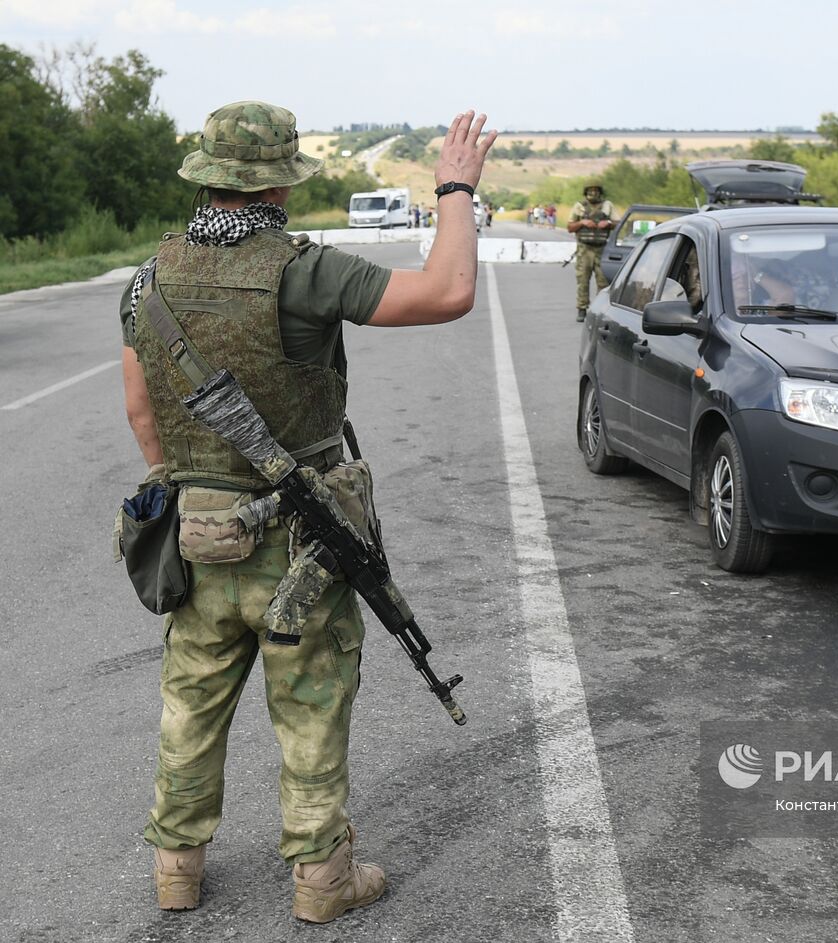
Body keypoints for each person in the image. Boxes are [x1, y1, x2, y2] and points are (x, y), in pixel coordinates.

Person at [119, 101, 496, 922]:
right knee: (312, 704)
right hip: (302, 541)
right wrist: (455, 188)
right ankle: (323, 880)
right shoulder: (305, 269)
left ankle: (176, 868)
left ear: (208, 181)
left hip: (196, 535)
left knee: (190, 702)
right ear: (280, 188)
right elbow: (450, 290)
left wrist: (192, 487)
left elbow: (142, 409)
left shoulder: (150, 278)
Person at [567, 182, 615, 321]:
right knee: (583, 280)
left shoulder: (608, 206)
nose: (593, 193)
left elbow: (618, 223)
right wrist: (582, 223)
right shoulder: (579, 207)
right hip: (584, 249)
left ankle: (600, 310)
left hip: (602, 247)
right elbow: (570, 227)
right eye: (590, 191)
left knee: (603, 282)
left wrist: (608, 224)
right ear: (586, 192)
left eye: (596, 191)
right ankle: (582, 308)